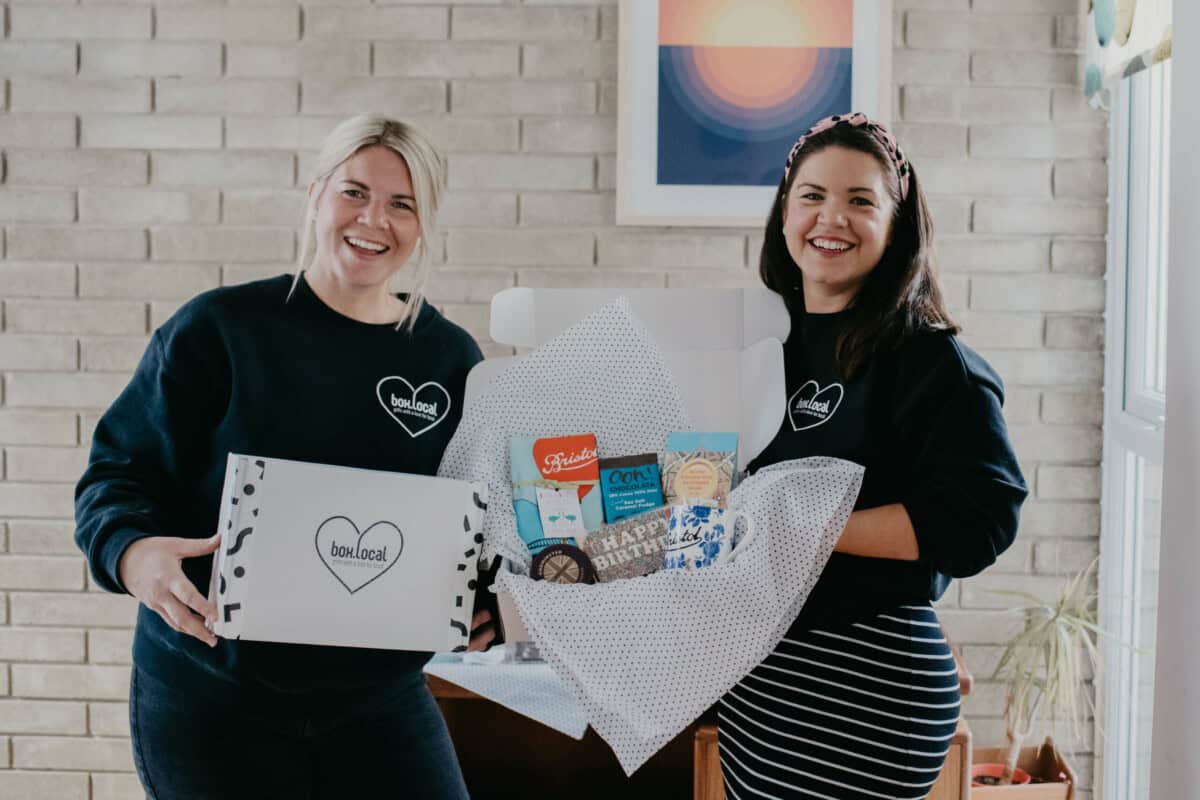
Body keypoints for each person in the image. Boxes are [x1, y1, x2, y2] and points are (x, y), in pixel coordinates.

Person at [74, 114, 493, 800]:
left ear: (424, 224)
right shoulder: (220, 329)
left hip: (377, 698)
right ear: (315, 194)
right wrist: (133, 553)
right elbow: (117, 472)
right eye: (354, 192)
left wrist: (491, 602)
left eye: (401, 203)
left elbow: (476, 523)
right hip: (211, 691)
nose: (373, 219)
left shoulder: (448, 359)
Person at [718, 113, 1028, 800]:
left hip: (868, 686)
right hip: (758, 689)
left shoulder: (929, 359)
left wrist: (805, 525)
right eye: (812, 195)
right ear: (784, 212)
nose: (832, 217)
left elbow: (979, 520)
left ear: (897, 225)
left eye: (861, 200)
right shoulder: (758, 344)